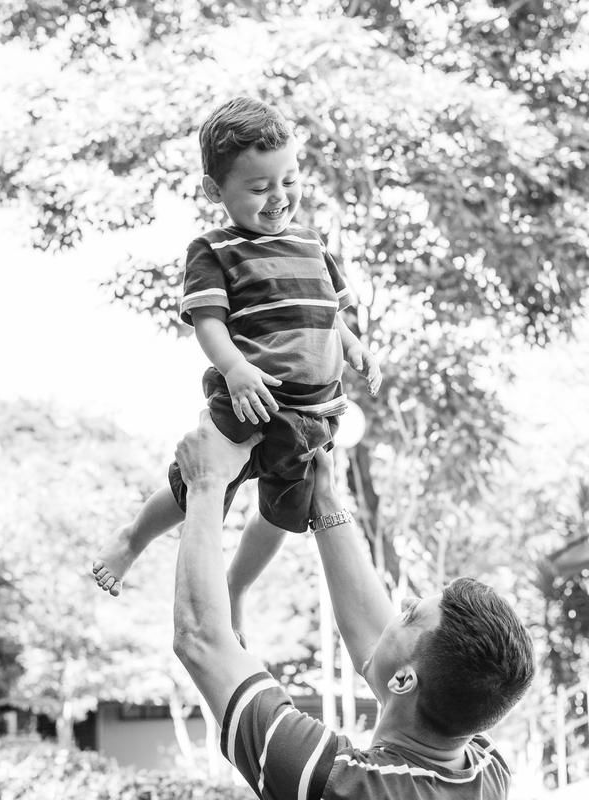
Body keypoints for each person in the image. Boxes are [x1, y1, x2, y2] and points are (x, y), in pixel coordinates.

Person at [92, 96, 382, 636]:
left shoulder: (312, 244)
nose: (279, 198)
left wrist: (353, 344)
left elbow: (325, 312)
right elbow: (208, 323)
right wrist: (234, 368)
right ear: (215, 190)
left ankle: (236, 586)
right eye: (258, 188)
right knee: (198, 487)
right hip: (250, 398)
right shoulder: (214, 249)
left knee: (282, 512)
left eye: (289, 180)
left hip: (313, 414)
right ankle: (132, 539)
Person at [170, 411, 535, 799]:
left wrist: (205, 485)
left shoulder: (340, 783)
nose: (406, 602)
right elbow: (383, 652)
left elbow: (201, 641)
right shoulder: (482, 768)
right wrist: (324, 498)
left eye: (411, 615)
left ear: (404, 681)